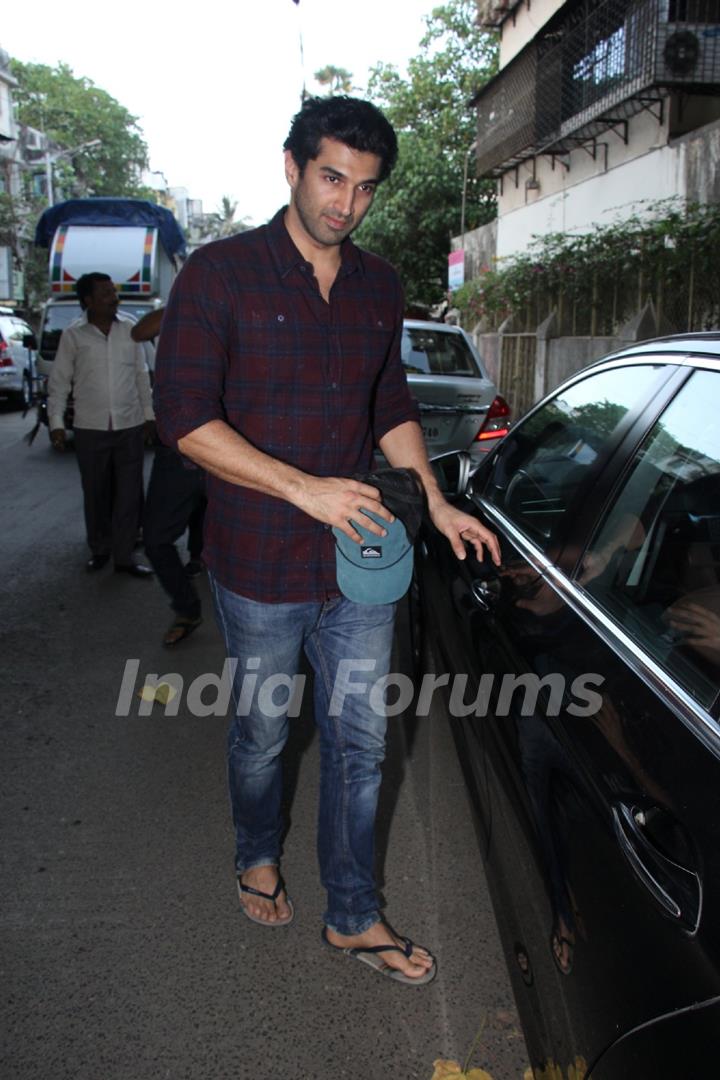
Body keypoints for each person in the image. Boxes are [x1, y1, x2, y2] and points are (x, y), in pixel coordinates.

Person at [154, 96, 500, 984]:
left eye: (365, 188)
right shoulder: (220, 276)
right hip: (258, 562)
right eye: (332, 178)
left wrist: (435, 496)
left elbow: (390, 407)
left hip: (363, 564)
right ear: (292, 166)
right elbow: (187, 420)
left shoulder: (381, 286)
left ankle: (354, 914)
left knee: (361, 742)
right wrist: (304, 489)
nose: (345, 203)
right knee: (265, 733)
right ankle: (255, 850)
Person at [48, 272, 155, 577]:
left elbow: (140, 376)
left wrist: (149, 416)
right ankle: (100, 549)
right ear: (88, 301)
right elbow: (59, 381)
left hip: (129, 424)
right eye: (106, 293)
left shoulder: (130, 329)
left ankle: (124, 557)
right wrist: (56, 422)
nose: (113, 297)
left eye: (113, 291)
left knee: (129, 493)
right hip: (90, 427)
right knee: (95, 492)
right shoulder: (74, 335)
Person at [132, 307, 208, 647]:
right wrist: (186, 296)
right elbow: (139, 332)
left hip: (234, 447)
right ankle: (187, 608)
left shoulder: (240, 308)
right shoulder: (178, 310)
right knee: (156, 539)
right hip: (177, 449)